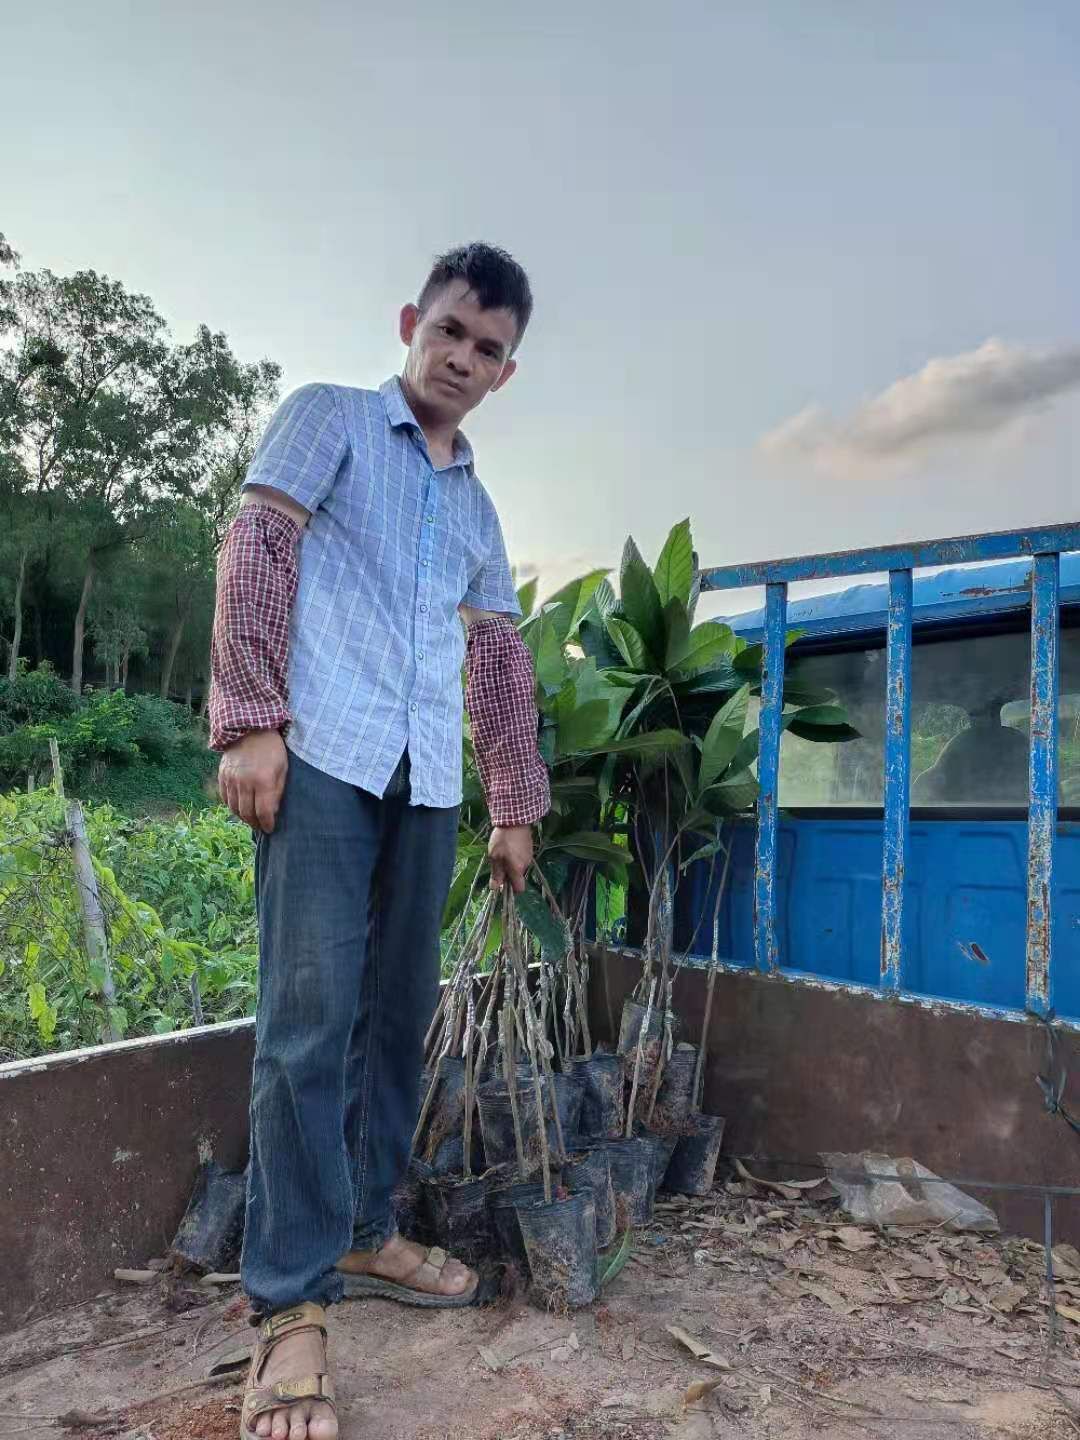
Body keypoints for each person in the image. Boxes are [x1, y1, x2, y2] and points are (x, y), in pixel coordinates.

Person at [209, 243, 549, 1440]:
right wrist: (249, 719)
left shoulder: (479, 506)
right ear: (413, 322)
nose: (462, 358)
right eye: (450, 331)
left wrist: (513, 801)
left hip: (428, 780)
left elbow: (497, 655)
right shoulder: (331, 421)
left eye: (488, 349)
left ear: (508, 372)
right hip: (324, 757)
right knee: (308, 1017)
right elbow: (259, 543)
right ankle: (287, 1308)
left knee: (395, 1013)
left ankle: (362, 1231)